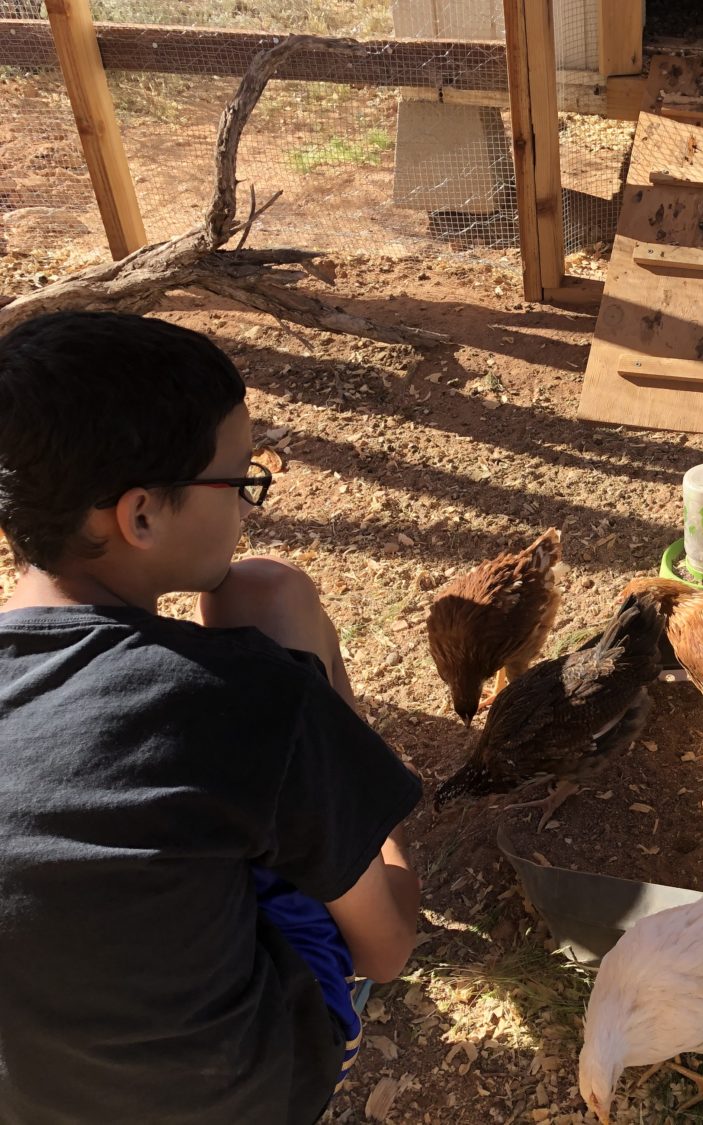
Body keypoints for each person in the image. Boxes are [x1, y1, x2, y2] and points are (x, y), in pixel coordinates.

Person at [0, 311, 423, 1124]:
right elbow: (388, 949)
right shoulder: (242, 699)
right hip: (248, 1090)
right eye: (239, 482)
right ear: (141, 516)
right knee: (269, 593)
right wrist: (379, 828)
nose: (248, 510)